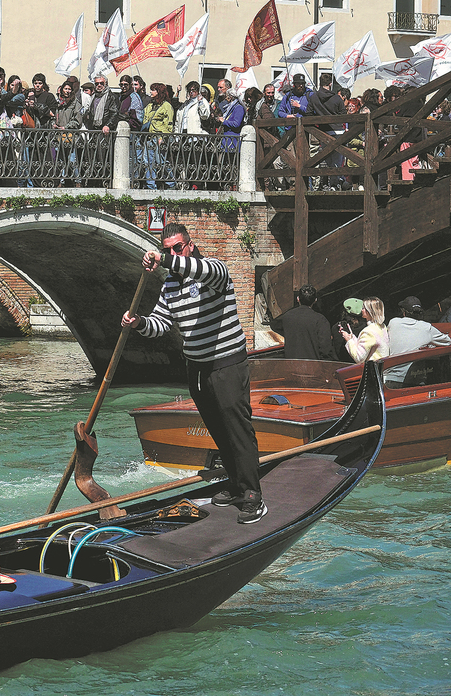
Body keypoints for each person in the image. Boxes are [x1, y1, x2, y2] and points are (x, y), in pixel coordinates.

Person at [122, 223, 266, 524]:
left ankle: (253, 494)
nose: (173, 253)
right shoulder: (170, 286)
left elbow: (203, 272)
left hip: (226, 363)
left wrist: (164, 260)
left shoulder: (213, 270)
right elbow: (161, 325)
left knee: (237, 427)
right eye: (167, 249)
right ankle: (234, 484)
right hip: (197, 368)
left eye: (177, 247)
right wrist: (138, 323)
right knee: (217, 427)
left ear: (189, 245)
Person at [385, 296, 451, 387]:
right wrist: (431, 346)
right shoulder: (426, 328)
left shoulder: (393, 323)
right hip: (414, 380)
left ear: (403, 312)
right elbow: (448, 341)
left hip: (392, 380)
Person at [271, 284, 336, 361]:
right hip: (312, 366)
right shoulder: (320, 320)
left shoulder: (287, 316)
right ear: (315, 300)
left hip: (291, 365)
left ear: (298, 299)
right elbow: (325, 349)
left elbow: (274, 325)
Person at [341, 296, 389, 364]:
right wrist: (352, 337)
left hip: (373, 371)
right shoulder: (382, 326)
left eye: (363, 308)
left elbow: (359, 358)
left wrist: (349, 341)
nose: (361, 310)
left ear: (369, 311)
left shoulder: (369, 331)